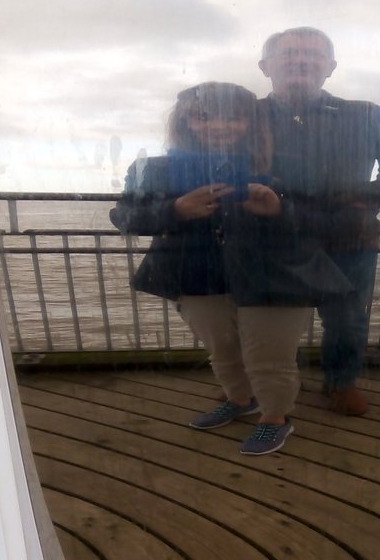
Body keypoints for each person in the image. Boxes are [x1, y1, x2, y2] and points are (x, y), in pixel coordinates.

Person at [110, 82, 350, 456]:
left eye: (232, 117)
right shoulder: (152, 169)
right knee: (222, 349)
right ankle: (240, 400)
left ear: (250, 122)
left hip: (278, 275)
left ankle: (275, 417)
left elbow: (329, 222)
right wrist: (175, 210)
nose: (218, 126)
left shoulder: (290, 164)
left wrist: (278, 210)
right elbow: (124, 217)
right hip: (197, 275)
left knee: (270, 357)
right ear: (186, 121)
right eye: (204, 116)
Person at [259, 27, 380, 415]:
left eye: (312, 54)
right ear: (265, 66)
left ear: (330, 67)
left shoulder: (365, 114)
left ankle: (340, 383)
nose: (300, 60)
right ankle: (258, 380)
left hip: (349, 236)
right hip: (270, 235)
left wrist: (369, 194)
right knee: (263, 316)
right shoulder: (247, 114)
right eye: (289, 54)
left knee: (347, 319)